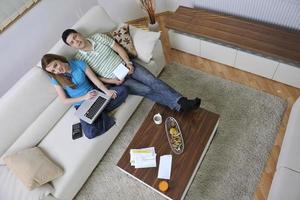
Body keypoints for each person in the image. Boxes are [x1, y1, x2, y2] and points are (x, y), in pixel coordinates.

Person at [61, 29, 201, 112]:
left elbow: (118, 48)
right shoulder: (79, 59)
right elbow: (95, 77)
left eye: (75, 37)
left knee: (152, 81)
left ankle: (181, 101)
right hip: (116, 81)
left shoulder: (98, 37)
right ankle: (178, 107)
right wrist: (113, 81)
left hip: (126, 66)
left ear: (79, 34)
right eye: (72, 42)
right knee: (146, 90)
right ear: (71, 47)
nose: (76, 41)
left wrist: (128, 63)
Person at [41, 54, 128, 139]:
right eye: (53, 71)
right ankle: (101, 111)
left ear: (58, 59)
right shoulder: (55, 79)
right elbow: (64, 100)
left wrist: (106, 91)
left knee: (123, 90)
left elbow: (95, 80)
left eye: (55, 65)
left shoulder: (78, 64)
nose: (57, 70)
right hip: (81, 106)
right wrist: (84, 97)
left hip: (96, 95)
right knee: (90, 133)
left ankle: (97, 113)